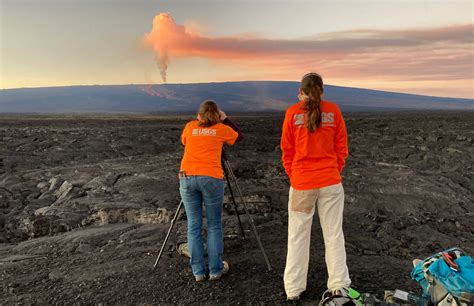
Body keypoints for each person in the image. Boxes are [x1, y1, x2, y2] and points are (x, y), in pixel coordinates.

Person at [280, 72, 353, 302]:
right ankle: (339, 285)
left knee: (298, 236)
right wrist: (333, 170)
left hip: (302, 184)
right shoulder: (334, 111)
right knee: (333, 234)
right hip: (330, 182)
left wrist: (296, 176)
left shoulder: (292, 113)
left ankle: (294, 289)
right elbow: (342, 147)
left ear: (301, 91)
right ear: (322, 90)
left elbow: (287, 150)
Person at [179, 100, 242, 282]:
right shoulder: (221, 129)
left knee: (193, 226)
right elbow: (238, 137)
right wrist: (225, 119)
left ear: (199, 115)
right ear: (217, 115)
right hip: (211, 177)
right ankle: (215, 270)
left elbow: (184, 142)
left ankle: (198, 272)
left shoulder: (190, 126)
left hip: (187, 177)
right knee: (214, 225)